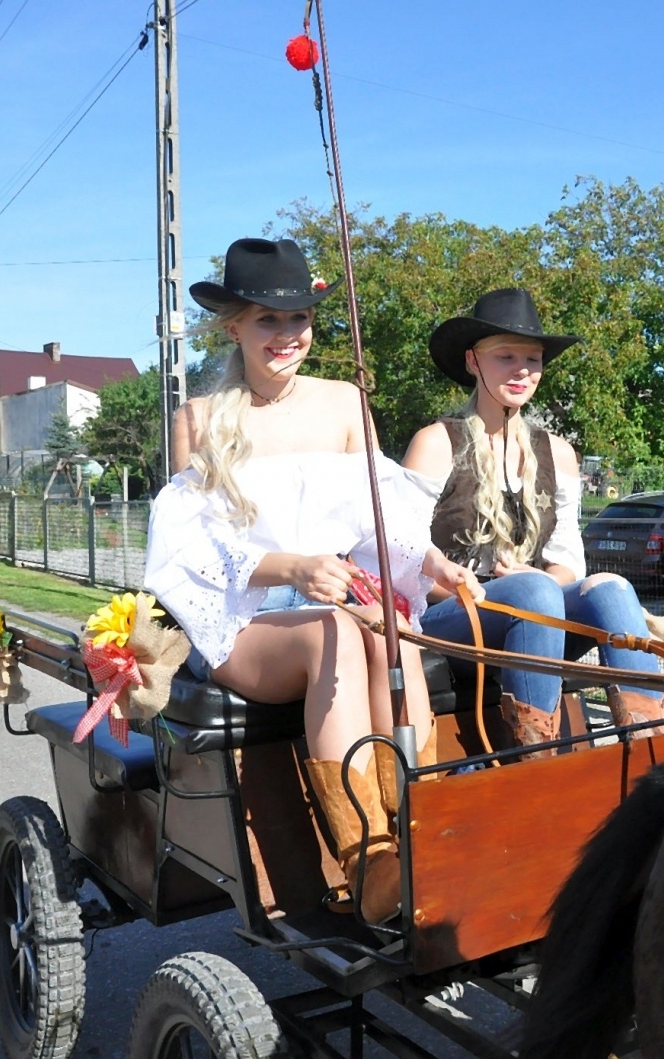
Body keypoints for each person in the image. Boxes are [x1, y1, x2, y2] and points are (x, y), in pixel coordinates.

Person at [142, 238, 480, 922]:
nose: (287, 334)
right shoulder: (199, 420)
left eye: (298, 318)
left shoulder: (345, 402)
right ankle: (369, 859)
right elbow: (195, 553)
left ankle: (426, 819)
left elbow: (380, 522)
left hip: (334, 595)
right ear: (233, 327)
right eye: (267, 319)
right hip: (243, 618)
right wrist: (293, 567)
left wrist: (433, 563)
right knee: (335, 632)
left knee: (392, 628)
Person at [403, 288, 664, 758]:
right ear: (473, 361)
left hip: (536, 609)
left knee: (610, 588)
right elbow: (401, 554)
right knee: (535, 592)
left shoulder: (558, 453)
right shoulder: (436, 442)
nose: (522, 370)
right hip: (449, 616)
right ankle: (536, 760)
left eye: (533, 359)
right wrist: (501, 588)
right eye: (505, 356)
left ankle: (653, 753)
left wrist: (538, 581)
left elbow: (567, 561)